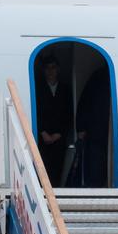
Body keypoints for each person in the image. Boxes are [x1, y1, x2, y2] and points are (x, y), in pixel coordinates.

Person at [34, 54, 72, 186]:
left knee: (58, 168)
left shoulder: (66, 89)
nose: (50, 71)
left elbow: (68, 113)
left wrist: (59, 133)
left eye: (53, 67)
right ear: (43, 70)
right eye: (47, 68)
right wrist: (43, 131)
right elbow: (36, 111)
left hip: (59, 137)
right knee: (43, 166)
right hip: (42, 136)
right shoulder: (37, 89)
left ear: (58, 70)